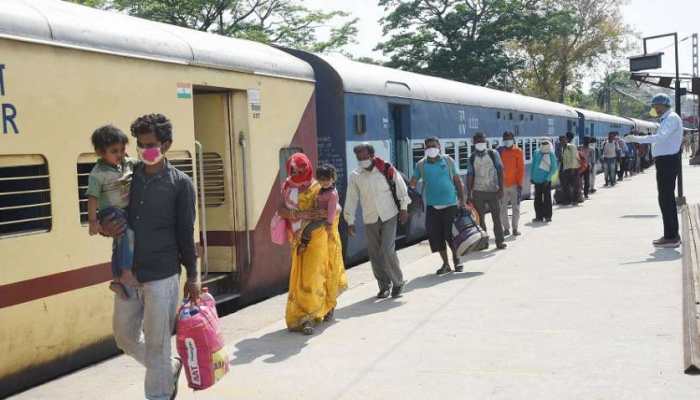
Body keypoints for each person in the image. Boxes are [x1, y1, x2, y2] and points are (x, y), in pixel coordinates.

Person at [102, 114, 199, 400]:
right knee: (124, 337)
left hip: (163, 274)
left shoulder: (181, 184)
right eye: (140, 145)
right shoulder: (127, 178)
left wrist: (192, 276)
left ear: (166, 145)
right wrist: (106, 226)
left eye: (151, 145)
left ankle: (158, 393)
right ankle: (168, 368)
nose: (145, 151)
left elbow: (185, 232)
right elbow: (111, 214)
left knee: (157, 344)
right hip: (128, 273)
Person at [279, 155, 347, 335]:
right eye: (293, 170)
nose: (297, 173)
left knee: (313, 275)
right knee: (299, 278)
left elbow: (336, 208)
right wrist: (300, 214)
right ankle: (308, 311)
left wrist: (324, 217)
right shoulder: (287, 186)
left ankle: (309, 316)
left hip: (318, 237)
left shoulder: (319, 185)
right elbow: (280, 210)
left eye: (301, 169)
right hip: (297, 238)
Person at [344, 143, 410, 298]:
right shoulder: (355, 175)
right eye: (358, 156)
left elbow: (401, 187)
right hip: (370, 217)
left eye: (364, 155)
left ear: (372, 155)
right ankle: (384, 285)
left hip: (389, 214)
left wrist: (404, 208)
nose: (362, 158)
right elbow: (351, 199)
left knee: (387, 250)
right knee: (374, 254)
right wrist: (350, 221)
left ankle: (398, 282)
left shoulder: (385, 168)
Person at [86, 125, 138, 299]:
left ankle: (116, 278)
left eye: (123, 149)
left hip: (124, 210)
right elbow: (92, 198)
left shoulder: (127, 163)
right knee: (128, 233)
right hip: (109, 211)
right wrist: (94, 222)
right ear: (101, 152)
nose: (120, 154)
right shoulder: (97, 174)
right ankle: (126, 272)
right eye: (114, 151)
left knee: (119, 243)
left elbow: (144, 164)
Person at [626, 94, 683, 248]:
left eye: (656, 106)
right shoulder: (667, 119)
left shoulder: (671, 118)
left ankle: (672, 237)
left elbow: (661, 137)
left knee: (666, 199)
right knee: (665, 198)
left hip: (668, 161)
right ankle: (670, 234)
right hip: (666, 161)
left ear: (664, 105)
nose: (655, 109)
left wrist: (637, 139)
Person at [410, 137, 466, 275]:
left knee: (451, 235)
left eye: (433, 146)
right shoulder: (421, 165)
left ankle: (457, 259)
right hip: (432, 206)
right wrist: (410, 189)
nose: (431, 149)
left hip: (450, 204)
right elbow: (413, 181)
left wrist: (462, 200)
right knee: (436, 237)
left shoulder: (447, 161)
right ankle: (446, 264)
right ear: (425, 149)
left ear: (439, 147)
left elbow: (457, 181)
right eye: (428, 147)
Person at [466, 132, 506, 250]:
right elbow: (470, 175)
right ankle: (484, 242)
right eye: (478, 141)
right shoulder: (471, 157)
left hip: (493, 190)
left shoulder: (493, 154)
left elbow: (500, 171)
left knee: (496, 218)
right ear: (474, 143)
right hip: (478, 192)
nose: (480, 143)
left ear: (486, 141)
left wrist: (501, 188)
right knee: (480, 220)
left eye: (482, 141)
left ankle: (500, 241)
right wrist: (469, 193)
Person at [497, 131, 524, 236]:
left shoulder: (518, 151)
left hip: (514, 184)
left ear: (513, 139)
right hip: (502, 184)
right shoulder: (499, 151)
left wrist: (520, 184)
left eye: (509, 138)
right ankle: (506, 229)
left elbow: (521, 169)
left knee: (516, 207)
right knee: (502, 208)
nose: (507, 140)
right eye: (505, 138)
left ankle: (515, 228)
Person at [530, 140, 558, 222]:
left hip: (546, 181)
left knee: (547, 199)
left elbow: (554, 168)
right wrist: (532, 177)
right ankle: (539, 216)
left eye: (546, 144)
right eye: (543, 144)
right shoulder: (536, 153)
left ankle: (548, 216)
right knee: (537, 199)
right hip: (537, 180)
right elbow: (533, 165)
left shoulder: (551, 154)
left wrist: (548, 179)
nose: (545, 146)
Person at [560, 133, 581, 205]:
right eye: (561, 141)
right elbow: (564, 160)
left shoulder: (571, 147)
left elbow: (574, 158)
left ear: (566, 140)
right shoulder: (564, 149)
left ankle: (575, 200)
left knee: (575, 185)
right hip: (566, 169)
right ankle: (568, 200)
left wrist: (572, 168)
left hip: (574, 169)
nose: (562, 142)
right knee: (566, 185)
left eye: (563, 140)